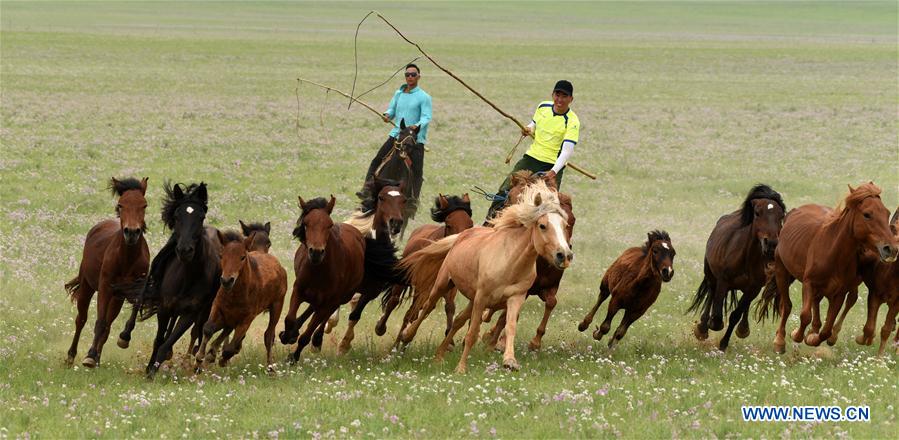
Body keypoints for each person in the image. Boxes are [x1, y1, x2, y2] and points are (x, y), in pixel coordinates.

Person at [485, 80, 580, 220]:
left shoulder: (572, 121)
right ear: (552, 94)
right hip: (531, 159)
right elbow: (534, 123)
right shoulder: (543, 106)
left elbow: (566, 152)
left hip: (552, 166)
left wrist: (554, 171)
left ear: (571, 99)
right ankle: (489, 223)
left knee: (549, 204)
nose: (559, 99)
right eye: (557, 95)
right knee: (505, 190)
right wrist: (529, 128)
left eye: (564, 96)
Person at [357, 63, 432, 200]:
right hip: (397, 135)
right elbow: (392, 109)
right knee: (377, 160)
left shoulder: (424, 97)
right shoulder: (399, 94)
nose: (410, 77)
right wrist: (387, 115)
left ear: (418, 77)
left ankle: (414, 199)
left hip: (414, 139)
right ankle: (366, 189)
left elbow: (426, 117)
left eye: (413, 74)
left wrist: (416, 126)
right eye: (407, 74)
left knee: (417, 171)